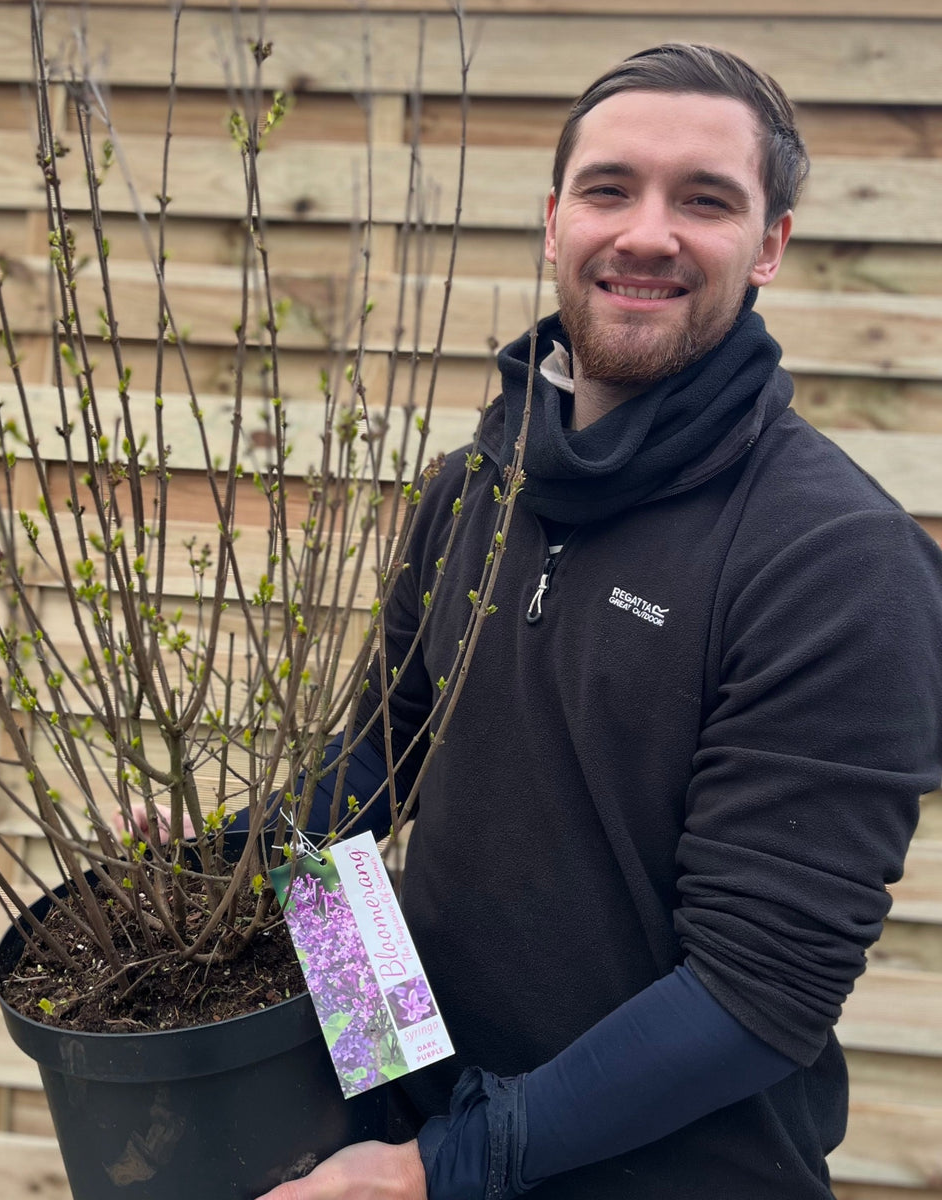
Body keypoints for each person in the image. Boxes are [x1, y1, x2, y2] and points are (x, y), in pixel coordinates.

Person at [244, 43, 942, 1199]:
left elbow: (756, 995)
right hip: (413, 1149)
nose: (648, 233)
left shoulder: (839, 564)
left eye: (705, 200)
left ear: (770, 244)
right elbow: (372, 773)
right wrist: (224, 877)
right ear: (555, 218)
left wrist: (441, 1171)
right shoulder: (473, 486)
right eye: (611, 188)